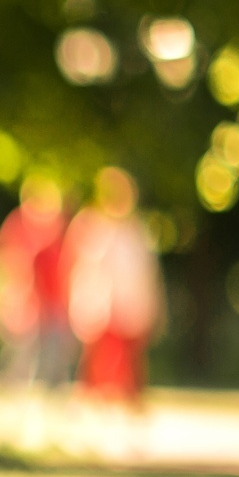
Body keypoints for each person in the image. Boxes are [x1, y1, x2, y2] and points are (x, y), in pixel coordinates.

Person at [65, 166, 163, 406]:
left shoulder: (137, 230)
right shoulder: (91, 226)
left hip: (130, 312)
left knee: (130, 376)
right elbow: (80, 271)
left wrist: (153, 307)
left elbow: (147, 274)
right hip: (101, 314)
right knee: (99, 375)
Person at [0, 175, 73, 393]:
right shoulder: (18, 225)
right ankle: (9, 395)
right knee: (20, 354)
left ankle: (50, 399)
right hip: (27, 303)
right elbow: (9, 264)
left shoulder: (57, 228)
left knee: (55, 356)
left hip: (53, 302)